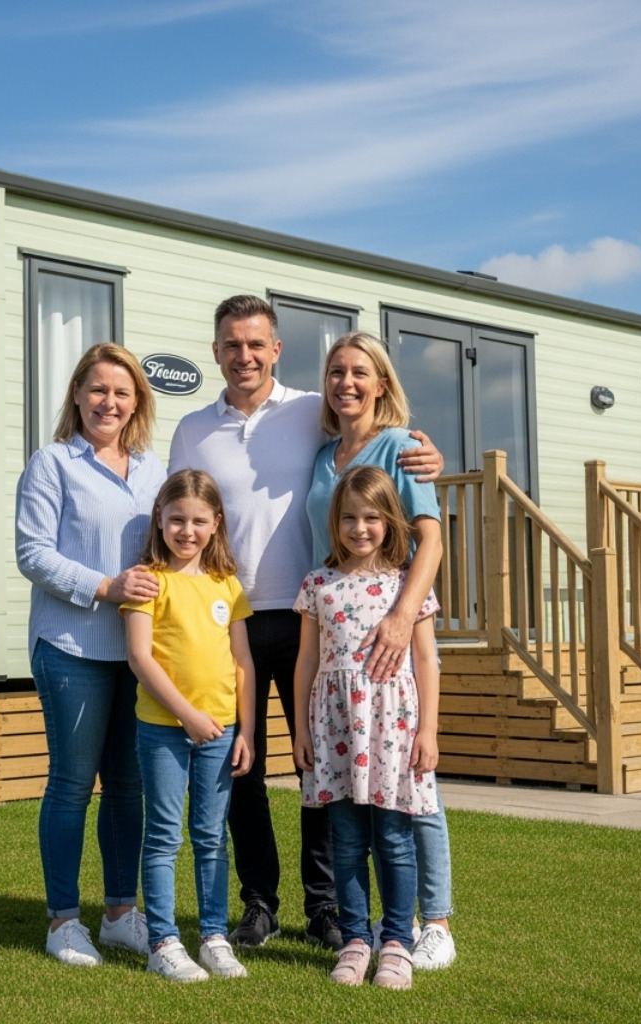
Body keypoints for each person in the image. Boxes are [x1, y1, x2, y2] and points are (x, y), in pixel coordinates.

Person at [169, 295, 442, 950]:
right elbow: (179, 512)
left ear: (276, 350)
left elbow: (376, 440)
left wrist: (427, 451)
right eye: (232, 345)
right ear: (216, 351)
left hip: (310, 619)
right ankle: (258, 903)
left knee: (320, 767)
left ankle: (327, 908)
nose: (244, 356)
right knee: (243, 771)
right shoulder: (191, 429)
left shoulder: (310, 411)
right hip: (228, 623)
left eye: (255, 344)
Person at [303, 331, 458, 971]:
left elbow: (430, 537)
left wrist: (401, 615)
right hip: (339, 634)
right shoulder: (323, 454)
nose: (347, 382)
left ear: (383, 383)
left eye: (360, 372)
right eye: (336, 372)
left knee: (413, 794)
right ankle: (369, 929)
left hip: (392, 631)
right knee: (353, 818)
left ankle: (433, 922)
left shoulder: (399, 445)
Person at [15, 343, 162, 967]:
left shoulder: (153, 469)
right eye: (98, 389)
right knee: (73, 785)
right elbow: (32, 553)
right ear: (77, 394)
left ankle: (120, 916)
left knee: (128, 787)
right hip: (71, 648)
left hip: (137, 654)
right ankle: (63, 921)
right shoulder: (52, 463)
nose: (109, 402)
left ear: (137, 402)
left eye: (122, 392)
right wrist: (107, 587)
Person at [293, 465, 441, 990]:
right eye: (349, 518)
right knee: (348, 841)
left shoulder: (407, 587)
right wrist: (301, 730)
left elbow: (426, 661)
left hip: (392, 729)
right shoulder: (318, 585)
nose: (360, 528)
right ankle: (356, 941)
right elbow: (307, 661)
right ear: (334, 522)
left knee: (395, 839)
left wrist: (428, 731)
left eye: (372, 517)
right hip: (336, 730)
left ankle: (396, 942)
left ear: (390, 521)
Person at [122, 470, 258, 982]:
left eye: (199, 521)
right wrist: (187, 715)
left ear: (216, 523)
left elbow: (242, 661)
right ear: (159, 518)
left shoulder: (228, 585)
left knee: (211, 837)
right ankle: (163, 943)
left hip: (221, 734)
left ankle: (214, 937)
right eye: (177, 519)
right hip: (164, 729)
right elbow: (139, 658)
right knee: (163, 836)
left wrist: (246, 731)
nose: (187, 530)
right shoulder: (147, 581)